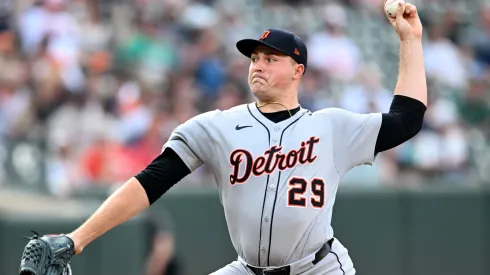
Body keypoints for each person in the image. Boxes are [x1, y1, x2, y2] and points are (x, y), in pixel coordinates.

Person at [23, 2, 426, 275]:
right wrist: (76, 239)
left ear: (298, 70)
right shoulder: (215, 127)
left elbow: (407, 119)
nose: (258, 66)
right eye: (254, 58)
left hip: (317, 267)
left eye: (271, 59)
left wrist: (410, 41)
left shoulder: (332, 127)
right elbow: (149, 182)